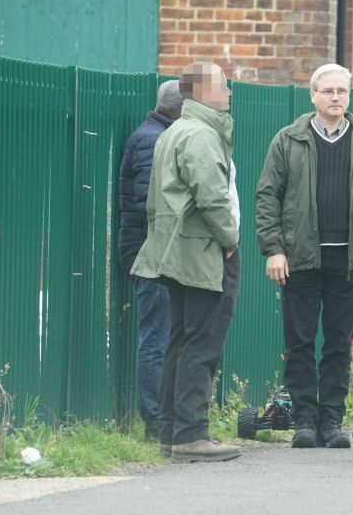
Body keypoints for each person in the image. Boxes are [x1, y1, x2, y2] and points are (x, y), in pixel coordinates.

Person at [256, 63, 353, 449]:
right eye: (329, 91)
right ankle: (304, 420)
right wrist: (274, 248)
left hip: (347, 262)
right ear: (313, 95)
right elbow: (268, 195)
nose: (337, 97)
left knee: (338, 344)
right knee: (300, 342)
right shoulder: (288, 140)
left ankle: (332, 420)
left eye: (343, 91)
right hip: (301, 260)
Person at [131, 62, 242, 463]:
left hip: (179, 251)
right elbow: (212, 197)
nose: (229, 93)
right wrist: (230, 238)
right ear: (204, 92)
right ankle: (192, 434)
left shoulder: (175, 130)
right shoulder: (200, 134)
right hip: (204, 252)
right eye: (224, 87)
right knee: (201, 342)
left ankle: (173, 433)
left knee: (180, 339)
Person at [118, 80, 183, 441]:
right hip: (151, 252)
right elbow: (150, 206)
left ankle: (163, 418)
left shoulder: (155, 135)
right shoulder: (153, 140)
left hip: (155, 250)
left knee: (162, 335)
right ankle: (155, 422)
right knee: (156, 337)